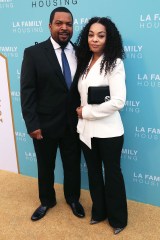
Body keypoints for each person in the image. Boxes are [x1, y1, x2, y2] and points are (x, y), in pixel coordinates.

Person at [20, 7, 85, 221]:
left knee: (72, 165)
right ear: (50, 26)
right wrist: (32, 124)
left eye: (68, 24)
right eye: (59, 23)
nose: (64, 27)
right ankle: (46, 201)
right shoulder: (33, 53)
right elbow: (27, 92)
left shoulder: (80, 53)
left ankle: (73, 199)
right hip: (44, 125)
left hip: (73, 124)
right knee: (45, 166)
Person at [75, 17, 128, 234]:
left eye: (101, 35)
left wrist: (86, 112)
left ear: (109, 38)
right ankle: (99, 212)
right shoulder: (85, 61)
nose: (94, 39)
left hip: (109, 131)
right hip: (87, 131)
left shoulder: (114, 62)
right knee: (94, 173)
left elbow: (118, 102)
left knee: (112, 174)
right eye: (91, 34)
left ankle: (118, 219)